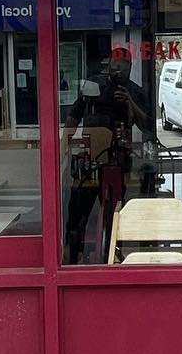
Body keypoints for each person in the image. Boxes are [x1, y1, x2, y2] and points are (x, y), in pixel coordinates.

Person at [62, 53, 154, 262]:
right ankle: (72, 256)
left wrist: (129, 102)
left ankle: (113, 254)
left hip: (118, 160)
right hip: (90, 158)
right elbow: (74, 115)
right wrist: (61, 148)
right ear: (109, 64)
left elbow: (147, 126)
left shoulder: (134, 91)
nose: (118, 71)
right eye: (115, 65)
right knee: (77, 211)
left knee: (115, 213)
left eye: (123, 67)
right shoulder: (94, 84)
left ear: (130, 68)